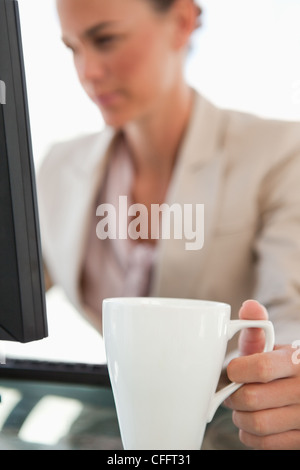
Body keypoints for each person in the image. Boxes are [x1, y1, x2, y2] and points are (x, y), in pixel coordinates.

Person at [38, 0, 300, 449]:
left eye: (105, 40)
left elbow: (291, 314)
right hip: (104, 433)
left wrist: (280, 375)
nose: (87, 71)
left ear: (181, 22)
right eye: (72, 49)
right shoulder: (58, 167)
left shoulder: (279, 152)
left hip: (228, 435)